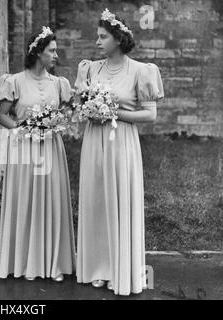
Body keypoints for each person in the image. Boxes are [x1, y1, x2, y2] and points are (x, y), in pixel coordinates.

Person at [75, 8, 164, 295]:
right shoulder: (91, 68)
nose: (98, 41)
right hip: (94, 140)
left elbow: (149, 116)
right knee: (97, 199)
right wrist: (90, 110)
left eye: (103, 37)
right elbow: (79, 107)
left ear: (118, 39)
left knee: (120, 199)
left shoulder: (141, 71)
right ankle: (98, 267)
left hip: (122, 141)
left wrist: (114, 113)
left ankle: (120, 268)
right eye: (98, 37)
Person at [0, 27, 76, 282]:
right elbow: (1, 115)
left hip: (51, 147)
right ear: (38, 52)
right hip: (25, 148)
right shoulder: (15, 81)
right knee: (26, 199)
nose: (56, 55)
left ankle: (53, 261)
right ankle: (24, 260)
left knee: (52, 199)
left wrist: (58, 121)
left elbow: (69, 112)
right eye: (52, 50)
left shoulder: (59, 84)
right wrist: (21, 128)